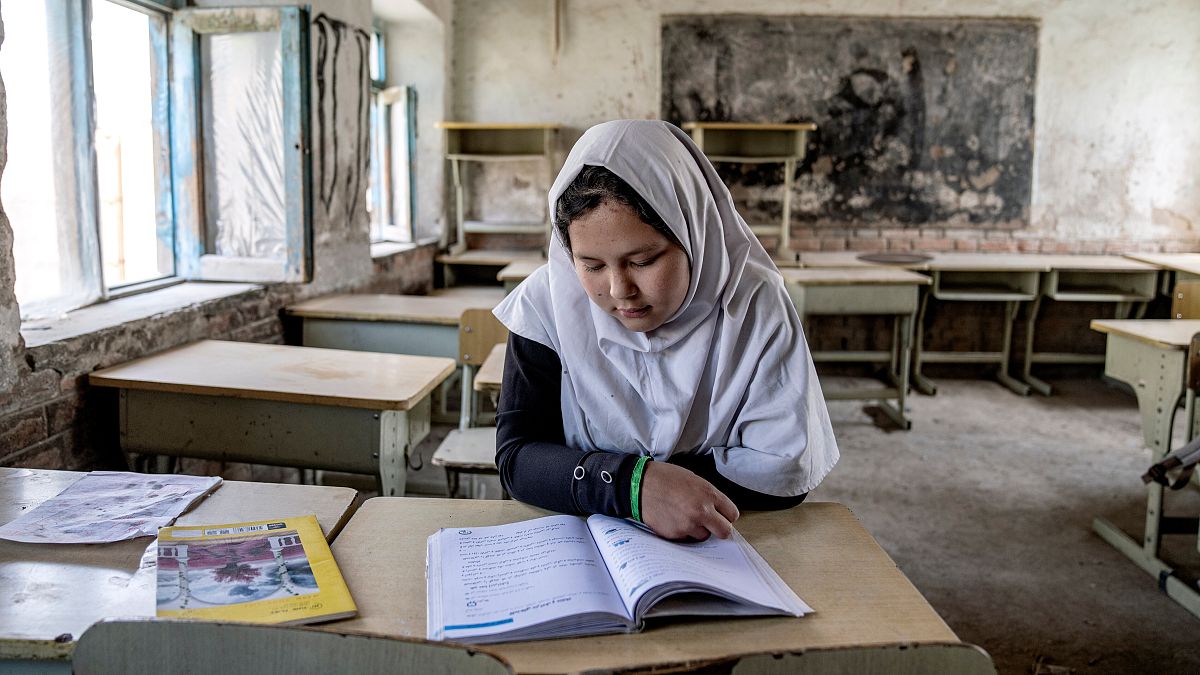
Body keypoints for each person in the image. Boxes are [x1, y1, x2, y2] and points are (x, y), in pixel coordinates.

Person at [492, 120, 839, 541]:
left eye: (644, 260)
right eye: (592, 266)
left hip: (733, 537)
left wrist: (620, 482)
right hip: (581, 542)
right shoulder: (546, 306)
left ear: (695, 233)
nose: (621, 291)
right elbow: (517, 458)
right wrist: (634, 486)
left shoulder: (754, 304)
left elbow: (783, 471)